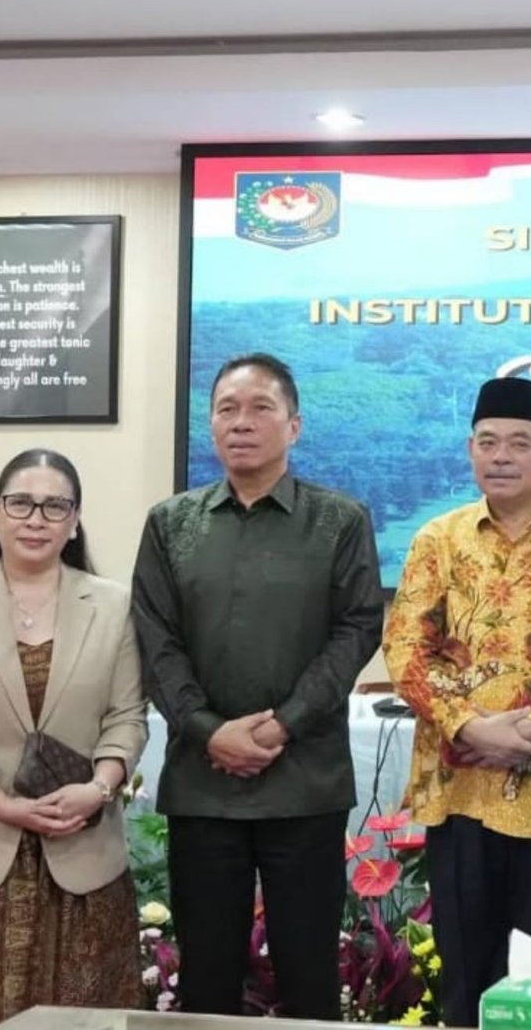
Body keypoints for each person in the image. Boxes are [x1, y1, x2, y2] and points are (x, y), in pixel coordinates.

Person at [131, 352, 383, 1019]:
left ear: (294, 425)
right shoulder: (170, 523)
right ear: (211, 425)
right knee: (207, 979)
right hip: (204, 785)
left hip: (304, 783)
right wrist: (208, 730)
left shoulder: (339, 520)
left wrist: (283, 723)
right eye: (227, 409)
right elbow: (155, 639)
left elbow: (357, 629)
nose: (241, 422)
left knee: (309, 977)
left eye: (260, 408)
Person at [384, 377, 531, 1026]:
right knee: (467, 979)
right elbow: (405, 648)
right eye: (488, 442)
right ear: (470, 450)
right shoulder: (439, 539)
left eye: (519, 442)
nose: (501, 456)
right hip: (461, 794)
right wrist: (469, 727)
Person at [0, 449, 145, 1028]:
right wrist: (4, 805)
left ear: (75, 522)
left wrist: (98, 789)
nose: (36, 519)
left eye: (55, 506)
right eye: (20, 503)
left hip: (81, 851)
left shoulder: (114, 606)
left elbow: (127, 716)